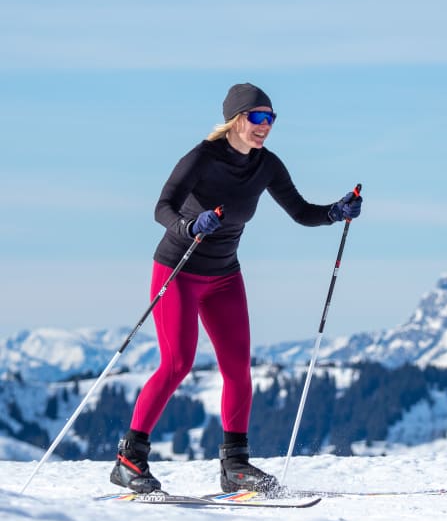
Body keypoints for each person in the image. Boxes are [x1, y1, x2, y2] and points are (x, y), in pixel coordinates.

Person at [109, 82, 362, 495]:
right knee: (177, 364)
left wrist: (335, 212)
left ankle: (235, 465)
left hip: (225, 275)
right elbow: (162, 207)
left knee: (237, 369)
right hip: (179, 270)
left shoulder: (267, 165)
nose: (266, 126)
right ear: (236, 119)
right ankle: (128, 459)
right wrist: (190, 226)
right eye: (258, 118)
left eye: (271, 119)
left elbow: (300, 212)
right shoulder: (202, 158)